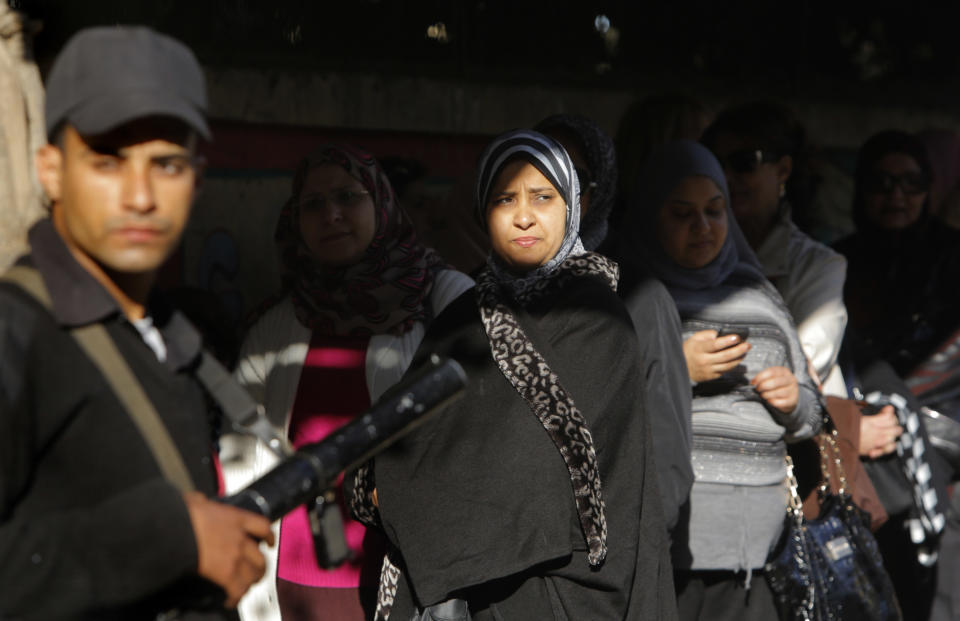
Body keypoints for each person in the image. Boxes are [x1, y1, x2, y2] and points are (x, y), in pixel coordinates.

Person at [0, 26, 273, 620]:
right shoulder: (16, 333)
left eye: (167, 164)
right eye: (107, 161)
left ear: (197, 179)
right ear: (50, 171)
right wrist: (173, 538)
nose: (141, 196)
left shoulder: (160, 330)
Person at [354, 129, 677, 620]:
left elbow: (532, 466)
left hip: (565, 588)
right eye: (505, 199)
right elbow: (401, 429)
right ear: (485, 212)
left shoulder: (598, 318)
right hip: (473, 588)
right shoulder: (461, 318)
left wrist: (399, 489)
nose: (523, 215)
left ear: (572, 207)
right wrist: (378, 476)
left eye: (543, 197)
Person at [220, 144, 473, 621]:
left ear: (380, 203)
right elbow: (240, 457)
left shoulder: (442, 299)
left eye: (347, 197)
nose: (331, 214)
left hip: (405, 575)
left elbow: (481, 434)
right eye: (313, 204)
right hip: (292, 579)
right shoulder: (274, 325)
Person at [627, 140, 822, 619]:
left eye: (716, 211)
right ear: (652, 214)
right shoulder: (629, 297)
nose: (703, 227)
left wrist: (794, 401)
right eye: (682, 214)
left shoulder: (758, 291)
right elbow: (598, 406)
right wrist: (677, 370)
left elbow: (813, 413)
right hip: (670, 549)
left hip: (761, 555)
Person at [535, 112, 694, 538]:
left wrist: (630, 561)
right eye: (537, 170)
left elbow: (665, 459)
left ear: (599, 186)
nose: (553, 188)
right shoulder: (482, 291)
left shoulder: (637, 294)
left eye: (573, 175)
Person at [701, 101, 849, 398]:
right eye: (718, 164)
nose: (728, 177)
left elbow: (802, 368)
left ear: (783, 170)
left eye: (745, 163)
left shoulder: (819, 266)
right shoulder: (690, 250)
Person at [835, 130, 960, 381]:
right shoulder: (837, 261)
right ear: (862, 189)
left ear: (928, 188)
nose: (896, 196)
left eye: (912, 182)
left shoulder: (953, 254)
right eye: (880, 182)